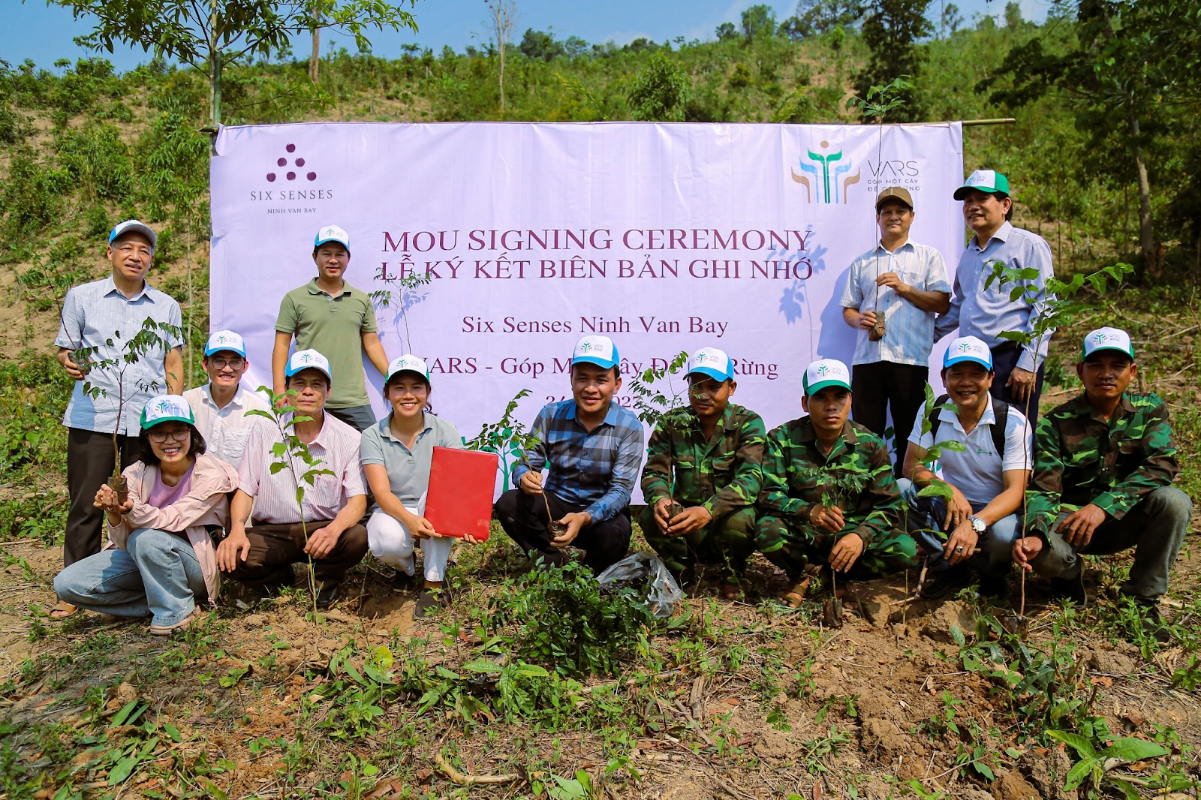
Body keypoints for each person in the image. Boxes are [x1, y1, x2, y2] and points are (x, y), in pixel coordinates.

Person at [1013, 328, 1191, 642]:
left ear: (1132, 372)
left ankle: (1142, 600)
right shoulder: (1055, 423)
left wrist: (1103, 507)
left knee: (1174, 502)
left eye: (1117, 366)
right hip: (1069, 525)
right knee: (1043, 551)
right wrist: (1037, 534)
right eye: (1095, 365)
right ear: (1080, 370)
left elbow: (1162, 464)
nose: (1106, 374)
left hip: (1122, 519)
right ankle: (1068, 576)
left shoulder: (1149, 410)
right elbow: (1043, 488)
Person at [52, 220, 184, 619]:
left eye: (144, 251)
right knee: (87, 502)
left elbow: (172, 362)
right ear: (109, 253)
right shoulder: (82, 297)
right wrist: (68, 362)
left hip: (145, 421)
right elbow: (65, 349)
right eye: (126, 248)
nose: (135, 256)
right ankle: (75, 587)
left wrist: (171, 413)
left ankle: (133, 579)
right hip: (94, 416)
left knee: (138, 501)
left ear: (151, 260)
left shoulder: (166, 306)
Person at [52, 395, 237, 634]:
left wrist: (131, 509)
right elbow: (124, 542)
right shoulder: (134, 473)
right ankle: (158, 603)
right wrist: (114, 514)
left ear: (191, 433)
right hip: (144, 558)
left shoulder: (211, 474)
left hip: (195, 564)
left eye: (178, 431)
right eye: (159, 433)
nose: (170, 441)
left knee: (147, 538)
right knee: (67, 584)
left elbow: (172, 519)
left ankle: (176, 612)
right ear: (147, 438)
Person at [756, 359, 915, 607]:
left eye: (839, 397)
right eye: (820, 397)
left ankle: (837, 575)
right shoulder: (782, 439)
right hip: (803, 531)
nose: (831, 406)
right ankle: (802, 575)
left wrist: (860, 536)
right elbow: (768, 494)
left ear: (850, 400)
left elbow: (889, 505)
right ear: (805, 403)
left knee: (905, 549)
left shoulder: (870, 444)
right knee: (768, 530)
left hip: (850, 532)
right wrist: (808, 510)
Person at [217, 349, 369, 608]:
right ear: (286, 390)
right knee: (232, 556)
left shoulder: (349, 438)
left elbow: (357, 501)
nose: (307, 391)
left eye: (316, 384)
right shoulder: (266, 429)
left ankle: (325, 578)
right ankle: (278, 579)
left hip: (323, 528)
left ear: (328, 392)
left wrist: (333, 530)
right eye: (299, 383)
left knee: (356, 537)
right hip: (274, 532)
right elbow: (245, 488)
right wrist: (237, 529)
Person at [495, 335, 644, 574]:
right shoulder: (551, 415)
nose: (590, 388)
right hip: (556, 504)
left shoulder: (629, 426)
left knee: (616, 532)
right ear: (571, 380)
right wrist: (524, 476)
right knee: (509, 503)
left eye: (601, 380)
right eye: (582, 378)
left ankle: (589, 576)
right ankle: (551, 562)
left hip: (599, 514)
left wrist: (584, 517)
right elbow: (526, 464)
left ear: (616, 384)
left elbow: (621, 491)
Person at [899, 336, 1031, 599]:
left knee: (1004, 534)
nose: (966, 382)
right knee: (902, 490)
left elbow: (1015, 492)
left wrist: (974, 523)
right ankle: (947, 566)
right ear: (943, 377)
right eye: (957, 374)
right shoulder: (932, 411)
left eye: (976, 374)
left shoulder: (1012, 422)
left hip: (996, 512)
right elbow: (911, 465)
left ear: (991, 378)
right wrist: (947, 490)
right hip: (952, 507)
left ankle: (992, 575)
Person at [841, 186, 951, 475]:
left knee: (910, 435)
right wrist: (858, 320)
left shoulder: (928, 256)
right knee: (865, 436)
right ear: (877, 217)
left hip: (910, 359)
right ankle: (867, 491)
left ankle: (908, 493)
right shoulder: (862, 262)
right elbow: (848, 309)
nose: (893, 217)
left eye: (900, 211)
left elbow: (942, 303)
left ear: (912, 216)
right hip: (868, 360)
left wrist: (904, 288)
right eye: (886, 212)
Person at [639, 347, 766, 598]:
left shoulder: (747, 423)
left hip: (725, 522)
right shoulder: (672, 423)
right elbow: (654, 471)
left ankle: (733, 572)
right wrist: (661, 498)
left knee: (742, 519)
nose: (703, 395)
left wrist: (709, 510)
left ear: (731, 387)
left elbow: (751, 479)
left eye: (714, 387)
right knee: (650, 517)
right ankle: (681, 570)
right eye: (696, 386)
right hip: (685, 523)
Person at [362, 354, 478, 618]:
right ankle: (405, 569)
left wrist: (466, 523)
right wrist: (409, 519)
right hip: (393, 508)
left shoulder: (445, 430)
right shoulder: (372, 435)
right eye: (399, 388)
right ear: (387, 393)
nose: (408, 395)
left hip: (434, 506)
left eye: (416, 387)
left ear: (427, 392)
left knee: (437, 501)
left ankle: (433, 584)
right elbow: (381, 492)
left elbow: (458, 484)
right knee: (384, 542)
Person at [935, 170, 1055, 421]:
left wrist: (1028, 363)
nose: (973, 207)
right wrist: (925, 334)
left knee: (1013, 435)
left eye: (982, 199)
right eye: (968, 201)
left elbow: (1045, 306)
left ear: (1005, 205)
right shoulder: (969, 253)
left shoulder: (1027, 245)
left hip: (1010, 361)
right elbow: (961, 305)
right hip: (973, 363)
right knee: (976, 435)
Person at [273, 225, 389, 432]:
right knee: (300, 449)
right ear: (315, 257)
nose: (333, 260)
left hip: (352, 399)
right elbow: (282, 344)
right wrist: (279, 388)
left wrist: (392, 377)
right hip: (307, 397)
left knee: (370, 446)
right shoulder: (294, 298)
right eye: (326, 254)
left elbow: (371, 343)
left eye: (339, 254)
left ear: (348, 258)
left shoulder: (361, 300)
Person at [182, 330, 270, 470]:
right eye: (219, 361)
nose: (227, 369)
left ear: (245, 366)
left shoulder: (260, 412)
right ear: (205, 364)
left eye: (235, 362)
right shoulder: (185, 403)